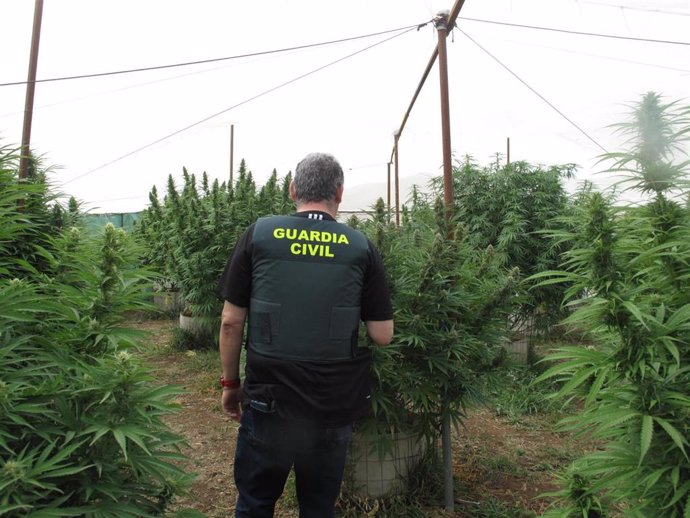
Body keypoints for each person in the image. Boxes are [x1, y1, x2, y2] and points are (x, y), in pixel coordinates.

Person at [217, 152, 394, 518]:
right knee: (317, 507)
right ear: (340, 193)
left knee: (254, 503)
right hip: (330, 404)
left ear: (293, 189)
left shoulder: (260, 233)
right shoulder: (360, 246)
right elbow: (382, 335)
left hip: (268, 400)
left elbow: (231, 322)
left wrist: (230, 384)